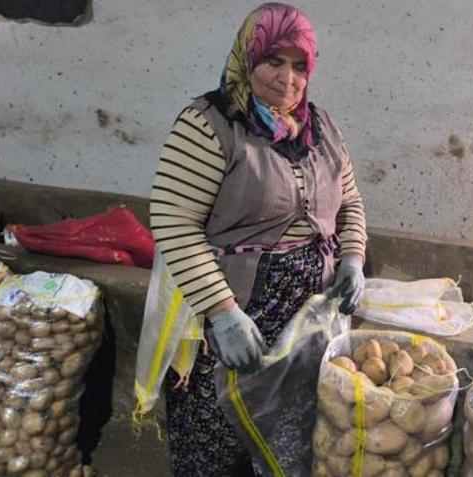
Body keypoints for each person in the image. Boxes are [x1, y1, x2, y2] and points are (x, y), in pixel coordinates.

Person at [148, 3, 366, 475]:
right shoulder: (208, 125)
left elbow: (349, 203)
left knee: (288, 445)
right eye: (273, 61)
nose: (287, 79)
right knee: (217, 441)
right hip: (235, 313)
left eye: (299, 65)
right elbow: (172, 220)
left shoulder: (322, 128)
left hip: (308, 322)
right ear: (248, 59)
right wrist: (223, 313)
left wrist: (352, 258)